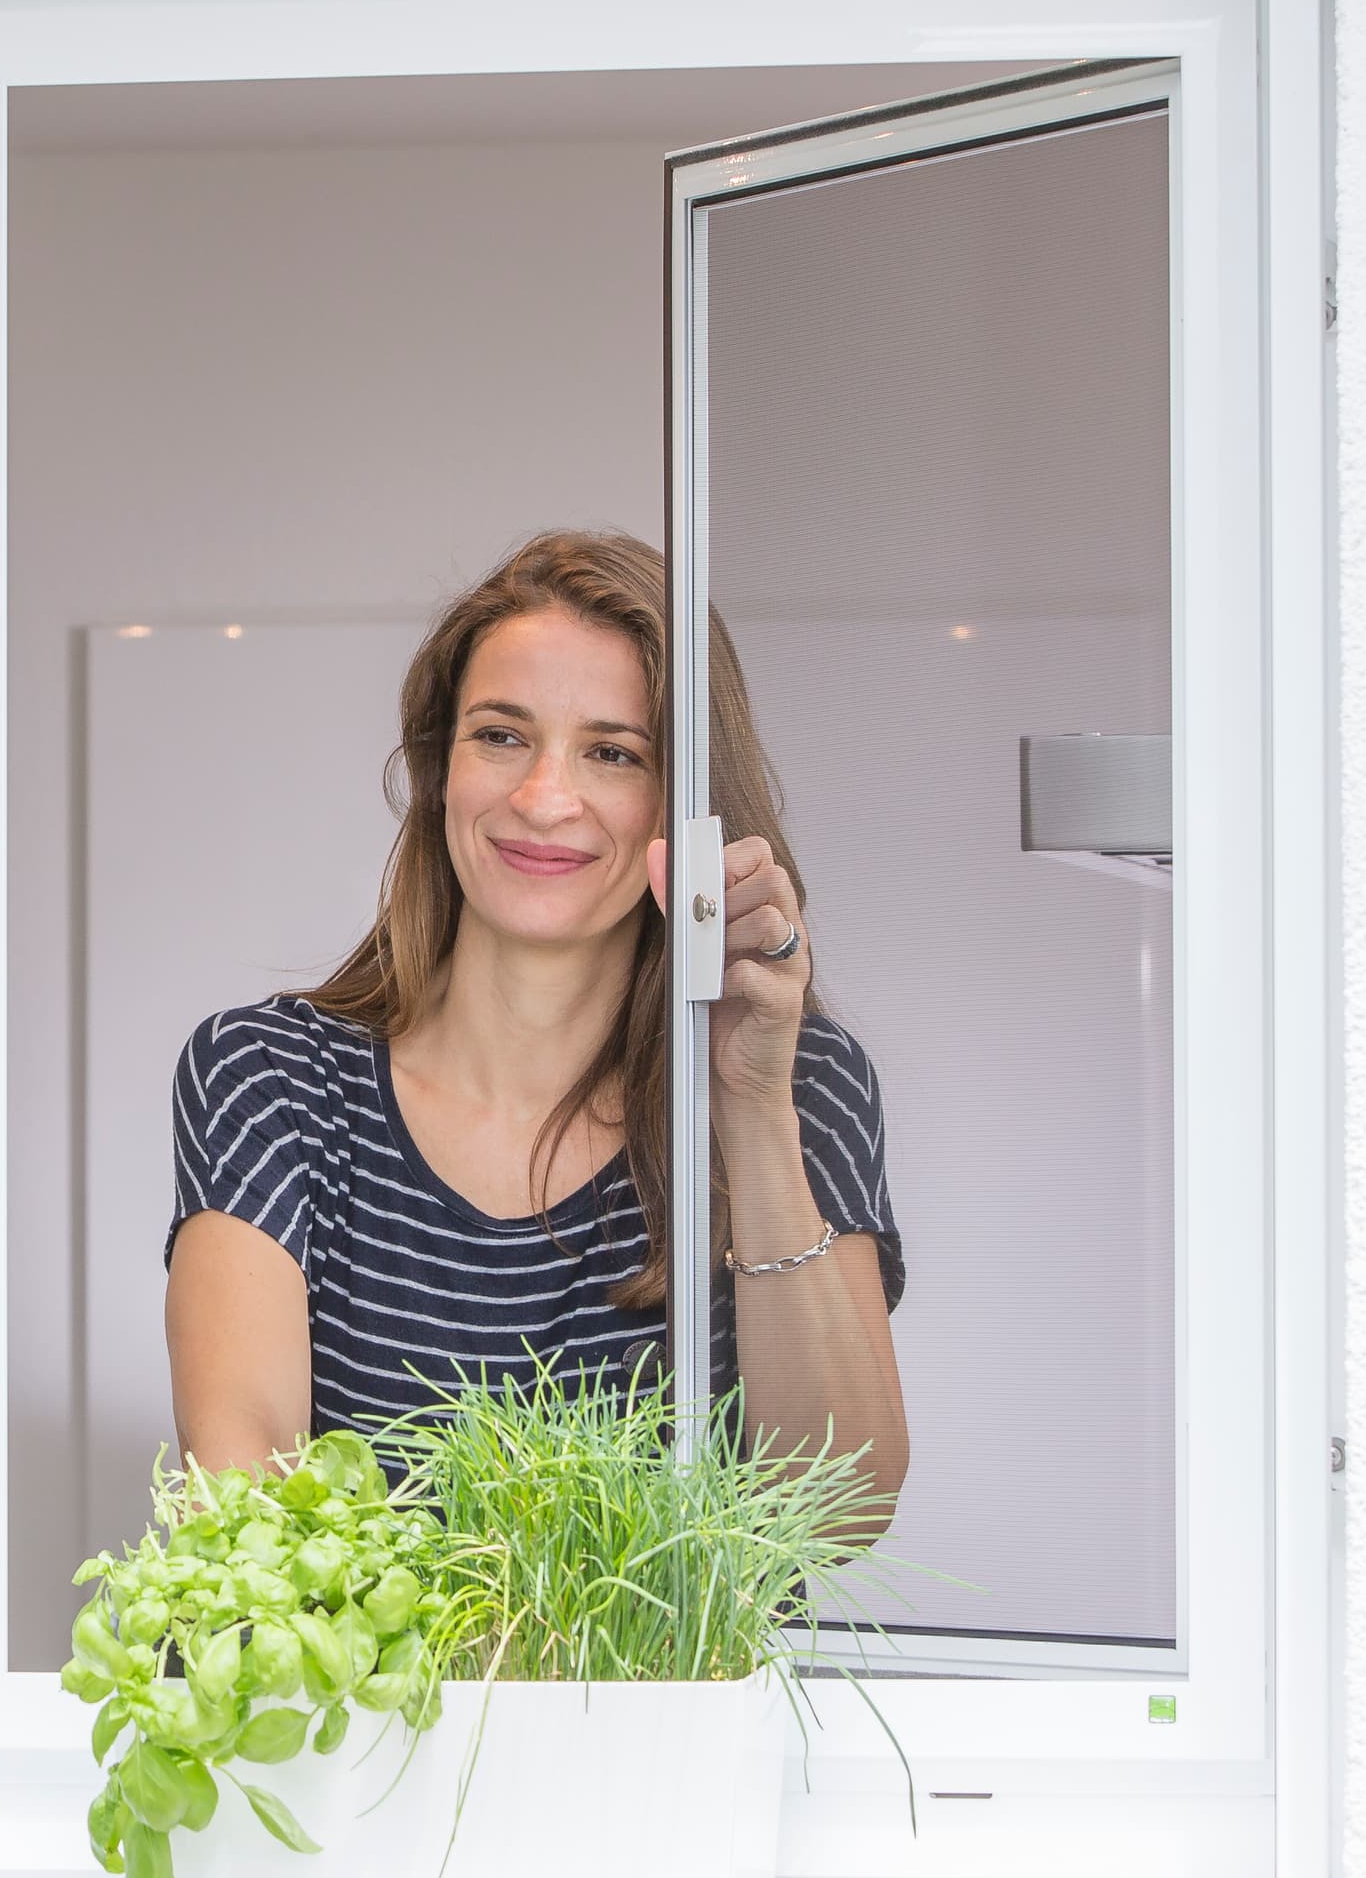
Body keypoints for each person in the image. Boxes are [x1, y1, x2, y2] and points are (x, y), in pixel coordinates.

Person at [163, 529, 908, 1519]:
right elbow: (244, 1476)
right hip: (359, 1687)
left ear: (684, 812)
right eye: (502, 735)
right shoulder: (271, 1077)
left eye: (612, 751)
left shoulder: (798, 1082)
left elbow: (840, 1507)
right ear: (441, 770)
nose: (543, 798)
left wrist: (752, 1103)